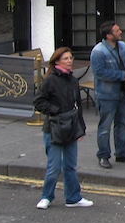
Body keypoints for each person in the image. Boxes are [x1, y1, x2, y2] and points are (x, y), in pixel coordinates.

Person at [33, 47, 93, 209]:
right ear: (57, 61)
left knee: (70, 166)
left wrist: (81, 128)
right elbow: (39, 102)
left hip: (71, 127)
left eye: (70, 58)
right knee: (54, 166)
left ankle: (73, 198)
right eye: (65, 58)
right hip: (53, 128)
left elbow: (78, 106)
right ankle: (46, 196)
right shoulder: (50, 80)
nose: (69, 61)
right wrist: (56, 111)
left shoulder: (73, 80)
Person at [91, 20, 125, 169]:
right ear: (108, 36)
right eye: (117, 31)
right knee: (105, 127)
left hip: (123, 92)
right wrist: (121, 75)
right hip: (107, 95)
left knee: (122, 124)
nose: (120, 32)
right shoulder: (98, 52)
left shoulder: (123, 46)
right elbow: (100, 73)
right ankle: (103, 156)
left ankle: (121, 153)